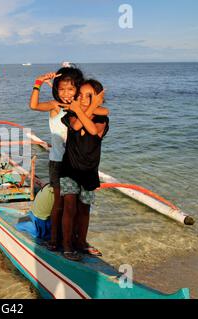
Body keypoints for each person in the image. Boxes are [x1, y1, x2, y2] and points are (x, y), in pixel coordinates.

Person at [29, 66, 108, 250]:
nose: (66, 93)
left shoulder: (81, 107)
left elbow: (105, 112)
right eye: (62, 89)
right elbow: (33, 105)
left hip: (78, 163)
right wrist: (38, 83)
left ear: (78, 90)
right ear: (56, 89)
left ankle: (75, 238)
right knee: (60, 204)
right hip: (59, 162)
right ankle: (55, 240)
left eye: (71, 89)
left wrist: (92, 104)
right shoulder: (56, 106)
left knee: (77, 207)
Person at [59, 79, 109, 261]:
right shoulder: (71, 115)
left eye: (88, 96)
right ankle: (66, 245)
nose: (82, 99)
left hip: (89, 171)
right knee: (70, 206)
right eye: (80, 95)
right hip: (69, 169)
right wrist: (84, 108)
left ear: (98, 99)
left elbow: (93, 130)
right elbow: (77, 125)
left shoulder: (102, 118)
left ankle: (81, 242)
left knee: (84, 209)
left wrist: (87, 108)